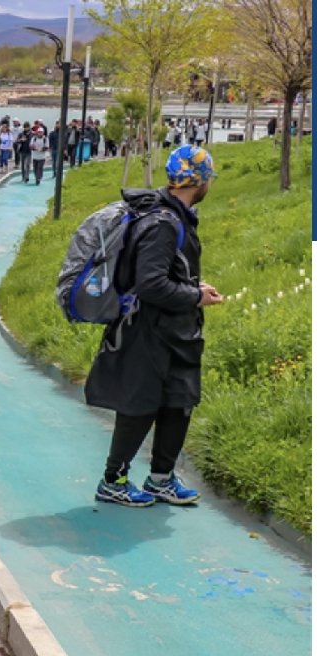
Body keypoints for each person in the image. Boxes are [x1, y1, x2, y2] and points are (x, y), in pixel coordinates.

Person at [87, 145, 220, 507]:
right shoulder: (164, 223)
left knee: (179, 401)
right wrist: (194, 297)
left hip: (175, 332)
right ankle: (113, 481)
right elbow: (150, 284)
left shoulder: (175, 216)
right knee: (140, 405)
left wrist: (194, 290)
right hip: (149, 331)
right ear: (199, 180)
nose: (210, 184)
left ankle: (161, 478)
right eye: (208, 178)